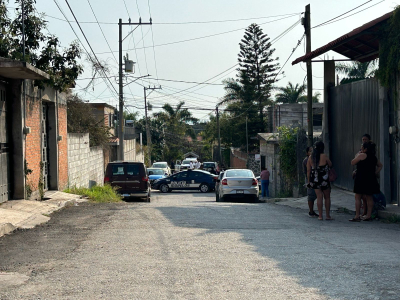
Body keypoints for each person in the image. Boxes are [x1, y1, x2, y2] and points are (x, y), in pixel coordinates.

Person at [350, 142, 382, 222]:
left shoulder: (362, 155)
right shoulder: (374, 157)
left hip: (361, 178)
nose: (361, 149)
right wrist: (375, 172)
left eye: (362, 148)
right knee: (369, 197)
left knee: (358, 197)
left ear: (365, 149)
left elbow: (353, 162)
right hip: (371, 179)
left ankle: (357, 215)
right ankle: (368, 215)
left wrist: (357, 155)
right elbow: (380, 165)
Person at [307, 141, 333, 220]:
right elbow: (330, 164)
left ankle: (320, 216)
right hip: (324, 178)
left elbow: (308, 170)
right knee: (327, 197)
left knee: (319, 196)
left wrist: (309, 181)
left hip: (314, 178)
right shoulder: (324, 156)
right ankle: (327, 215)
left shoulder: (311, 157)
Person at [303, 146, 318, 217]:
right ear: (307, 153)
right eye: (310, 151)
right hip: (310, 179)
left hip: (316, 179)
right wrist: (309, 181)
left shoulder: (317, 158)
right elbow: (307, 171)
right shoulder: (306, 160)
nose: (312, 152)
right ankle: (311, 211)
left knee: (317, 195)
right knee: (311, 195)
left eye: (313, 151)